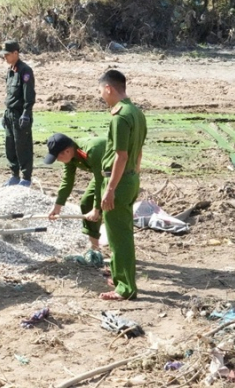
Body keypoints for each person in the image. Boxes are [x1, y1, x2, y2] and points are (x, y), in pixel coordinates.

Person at [98, 69, 147, 301]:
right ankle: (120, 278)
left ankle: (125, 288)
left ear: (109, 88)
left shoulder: (120, 116)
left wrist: (110, 190)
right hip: (130, 179)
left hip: (117, 180)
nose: (101, 95)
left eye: (101, 90)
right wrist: (133, 175)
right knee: (121, 232)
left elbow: (121, 156)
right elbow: (138, 152)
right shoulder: (137, 112)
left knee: (119, 237)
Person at [45, 133, 107, 253]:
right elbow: (67, 180)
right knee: (86, 202)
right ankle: (95, 249)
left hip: (118, 172)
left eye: (58, 157)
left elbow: (101, 182)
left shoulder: (92, 151)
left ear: (67, 151)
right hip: (102, 174)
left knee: (108, 207)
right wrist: (57, 206)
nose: (57, 160)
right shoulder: (71, 155)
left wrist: (96, 209)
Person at [1, 40, 36, 187]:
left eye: (7, 55)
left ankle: (26, 177)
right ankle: (14, 175)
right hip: (10, 114)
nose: (5, 58)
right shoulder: (10, 71)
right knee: (10, 145)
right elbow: (9, 95)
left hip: (20, 115)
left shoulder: (25, 71)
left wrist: (26, 114)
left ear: (16, 53)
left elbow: (29, 95)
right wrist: (5, 114)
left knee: (23, 146)